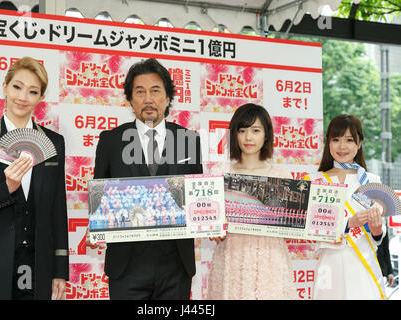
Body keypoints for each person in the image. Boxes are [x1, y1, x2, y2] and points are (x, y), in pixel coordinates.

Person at [87, 58, 202, 299]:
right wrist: (95, 226)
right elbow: (100, 194)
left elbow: (198, 195)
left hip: (176, 266)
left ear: (168, 98)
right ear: (129, 100)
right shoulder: (110, 141)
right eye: (140, 92)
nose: (148, 99)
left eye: (155, 91)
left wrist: (212, 219)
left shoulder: (189, 140)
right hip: (126, 265)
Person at [0, 57, 69, 300]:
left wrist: (60, 270)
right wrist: (6, 188)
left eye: (33, 91)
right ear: (5, 87)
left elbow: (57, 208)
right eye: (17, 87)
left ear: (41, 98)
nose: (22, 97)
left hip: (35, 263)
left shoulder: (53, 142)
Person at [207, 103, 296, 300]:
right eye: (242, 130)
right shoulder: (220, 174)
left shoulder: (281, 176)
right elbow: (210, 220)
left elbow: (290, 230)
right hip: (232, 258)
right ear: (234, 135)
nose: (248, 137)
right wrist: (213, 229)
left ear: (266, 135)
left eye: (255, 131)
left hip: (270, 259)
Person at [304, 114, 386, 300]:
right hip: (330, 265)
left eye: (349, 140)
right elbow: (312, 228)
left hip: (364, 265)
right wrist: (349, 223)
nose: (342, 146)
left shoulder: (372, 181)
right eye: (336, 139)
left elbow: (379, 235)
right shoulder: (315, 181)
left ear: (359, 143)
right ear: (328, 143)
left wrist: (377, 230)